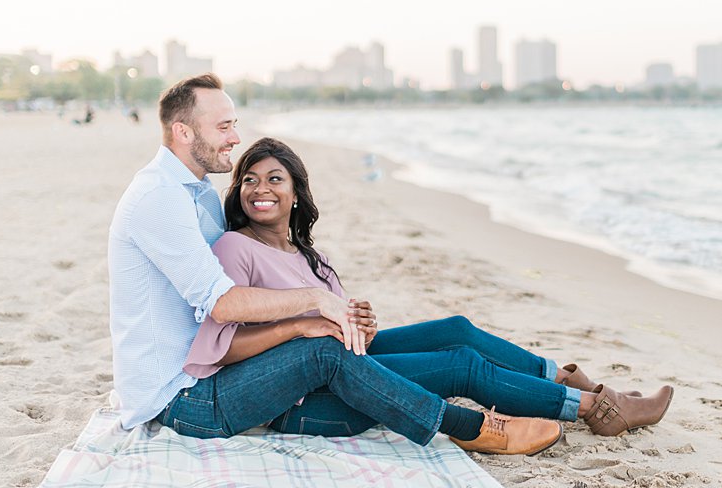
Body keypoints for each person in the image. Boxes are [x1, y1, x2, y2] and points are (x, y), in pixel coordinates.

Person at [110, 74, 566, 455]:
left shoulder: (198, 193)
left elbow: (247, 276)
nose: (234, 137)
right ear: (183, 132)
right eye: (224, 126)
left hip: (224, 367)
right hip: (181, 397)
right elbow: (224, 304)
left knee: (393, 340)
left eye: (234, 124)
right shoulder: (158, 199)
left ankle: (561, 392)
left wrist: (326, 312)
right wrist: (312, 306)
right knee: (326, 349)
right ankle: (469, 427)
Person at [173, 135, 676, 451]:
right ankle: (592, 409)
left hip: (344, 365)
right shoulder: (236, 249)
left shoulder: (309, 256)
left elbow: (339, 332)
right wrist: (302, 324)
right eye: (249, 180)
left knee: (456, 329)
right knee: (460, 365)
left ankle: (570, 381)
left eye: (274, 178)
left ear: (297, 192)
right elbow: (224, 350)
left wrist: (360, 324)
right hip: (308, 396)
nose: (260, 188)